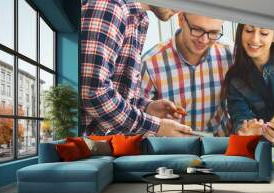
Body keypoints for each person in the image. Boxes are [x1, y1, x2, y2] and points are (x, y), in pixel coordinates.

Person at [81, 0, 193, 137]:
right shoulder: (110, 7)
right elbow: (93, 92)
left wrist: (146, 108)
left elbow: (114, 88)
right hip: (82, 147)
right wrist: (156, 128)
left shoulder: (139, 18)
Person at [141, 12, 233, 136]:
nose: (204, 40)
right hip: (173, 149)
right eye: (197, 29)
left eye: (213, 32)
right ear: (181, 19)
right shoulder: (150, 63)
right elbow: (137, 122)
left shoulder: (230, 54)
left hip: (220, 148)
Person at [223, 24, 274, 146]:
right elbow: (239, 118)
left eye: (264, 33)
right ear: (241, 33)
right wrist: (246, 130)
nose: (255, 39)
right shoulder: (235, 77)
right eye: (249, 30)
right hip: (259, 149)